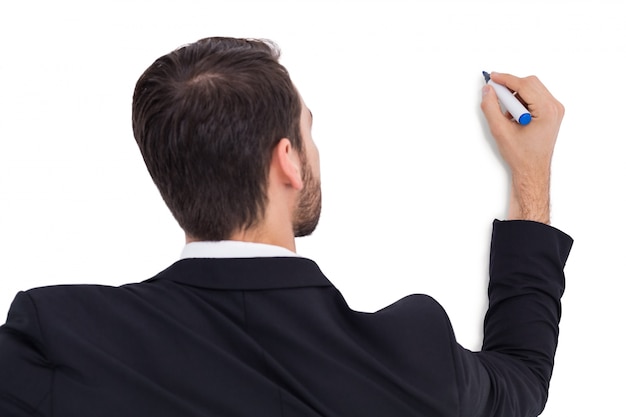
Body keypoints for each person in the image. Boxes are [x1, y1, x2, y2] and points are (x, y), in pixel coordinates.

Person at [0, 37, 572, 417]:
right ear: (288, 162)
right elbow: (521, 380)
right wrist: (531, 174)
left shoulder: (60, 339)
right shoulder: (413, 355)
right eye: (308, 130)